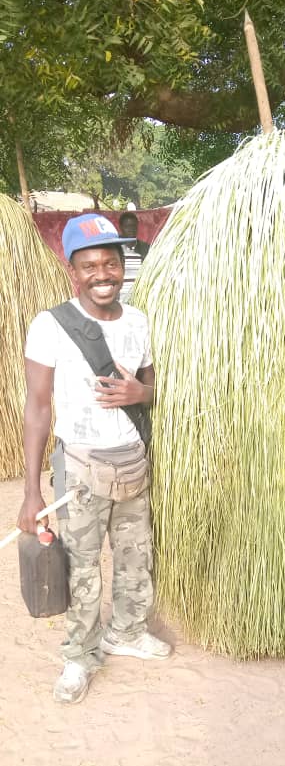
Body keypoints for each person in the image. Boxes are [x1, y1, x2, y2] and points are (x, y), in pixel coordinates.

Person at [17, 213, 171, 705]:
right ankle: (78, 657)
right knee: (81, 567)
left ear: (122, 266)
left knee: (134, 557)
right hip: (80, 467)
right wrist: (31, 492)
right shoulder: (50, 326)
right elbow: (38, 409)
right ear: (73, 271)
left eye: (110, 262)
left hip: (132, 459)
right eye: (90, 266)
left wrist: (139, 392)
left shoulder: (140, 321)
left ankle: (125, 632)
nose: (102, 274)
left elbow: (151, 389)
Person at [117, 211, 150, 302]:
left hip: (139, 300)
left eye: (133, 226)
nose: (131, 229)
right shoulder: (115, 249)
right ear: (120, 227)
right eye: (127, 226)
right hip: (118, 301)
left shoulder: (145, 249)